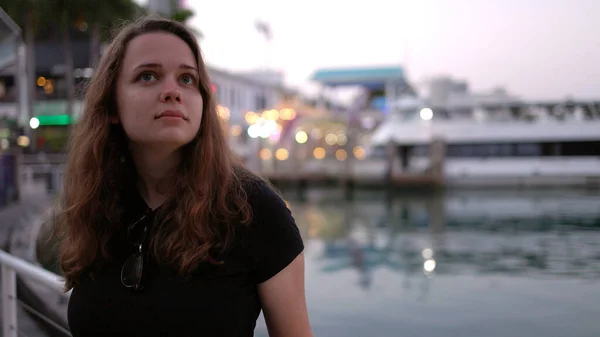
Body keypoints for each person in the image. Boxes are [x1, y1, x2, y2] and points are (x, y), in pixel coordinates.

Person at [55, 15, 313, 337]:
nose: (172, 91)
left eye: (187, 80)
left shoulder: (253, 210)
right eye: (148, 76)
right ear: (111, 106)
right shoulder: (95, 204)